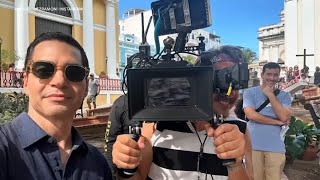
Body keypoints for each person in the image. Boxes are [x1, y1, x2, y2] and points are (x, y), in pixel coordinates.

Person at [112, 45, 251, 180]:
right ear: (197, 80)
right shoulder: (155, 125)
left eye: (236, 81)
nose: (230, 92)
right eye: (221, 79)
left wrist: (235, 164)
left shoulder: (241, 130)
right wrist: (125, 168)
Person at [0, 32, 112, 180]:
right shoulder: (4, 148)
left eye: (73, 72)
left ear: (85, 88)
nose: (59, 81)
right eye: (44, 70)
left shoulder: (98, 163)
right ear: (25, 82)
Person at [243, 62, 292, 180]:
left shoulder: (285, 96)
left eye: (275, 75)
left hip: (275, 146)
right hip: (253, 145)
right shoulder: (249, 93)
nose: (272, 78)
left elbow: (284, 117)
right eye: (268, 74)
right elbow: (250, 115)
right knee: (254, 177)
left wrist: (270, 95)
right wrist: (277, 122)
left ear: (279, 76)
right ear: (262, 75)